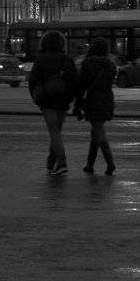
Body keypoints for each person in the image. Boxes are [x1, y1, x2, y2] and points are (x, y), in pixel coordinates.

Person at [26, 30, 81, 175]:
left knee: (54, 131)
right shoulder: (67, 60)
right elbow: (76, 82)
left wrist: (36, 97)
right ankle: (51, 161)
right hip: (63, 101)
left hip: (47, 101)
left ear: (44, 43)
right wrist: (71, 98)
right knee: (56, 131)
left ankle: (62, 162)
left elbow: (32, 82)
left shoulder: (41, 60)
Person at [74, 39, 118, 175]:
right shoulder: (110, 64)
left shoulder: (88, 64)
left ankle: (110, 164)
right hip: (107, 99)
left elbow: (81, 85)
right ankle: (89, 165)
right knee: (95, 133)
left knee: (98, 133)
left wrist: (78, 103)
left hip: (93, 100)